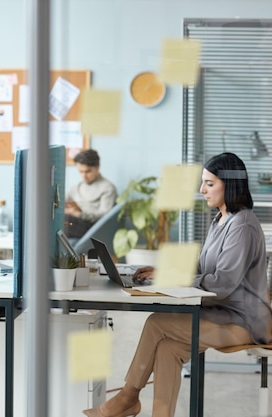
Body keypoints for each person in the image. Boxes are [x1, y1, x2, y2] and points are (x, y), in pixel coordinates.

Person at [83, 152, 272, 417]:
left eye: (209, 183)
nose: (201, 189)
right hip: (222, 315)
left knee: (156, 322)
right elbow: (204, 268)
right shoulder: (221, 219)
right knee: (167, 349)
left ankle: (128, 397)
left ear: (229, 185)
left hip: (244, 324)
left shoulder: (242, 226)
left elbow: (222, 284)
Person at [64, 149, 117, 238]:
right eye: (80, 171)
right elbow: (60, 202)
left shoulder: (108, 188)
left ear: (97, 167)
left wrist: (78, 213)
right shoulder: (76, 188)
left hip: (90, 227)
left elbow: (104, 217)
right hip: (73, 223)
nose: (84, 176)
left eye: (88, 171)